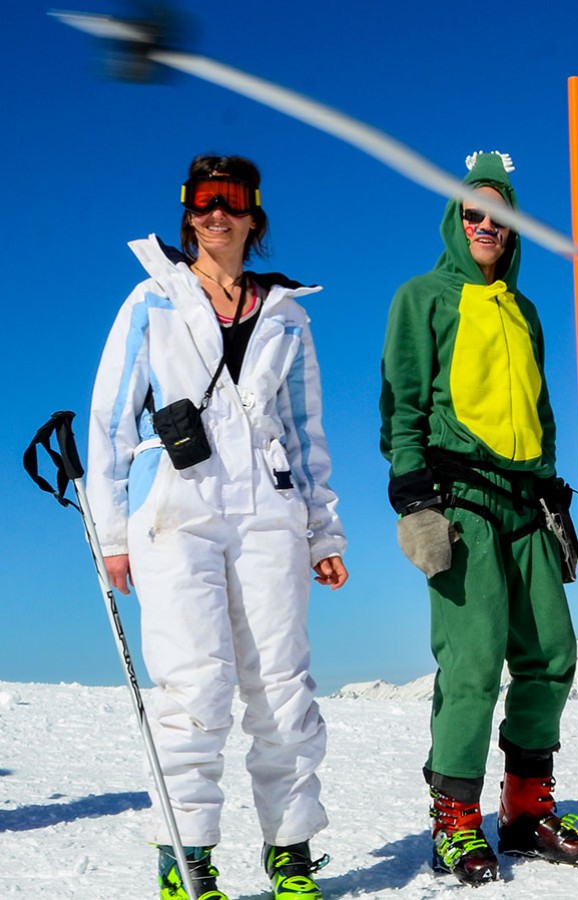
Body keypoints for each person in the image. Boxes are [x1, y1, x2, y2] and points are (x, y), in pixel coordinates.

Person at [89, 155, 346, 900]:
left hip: (269, 511)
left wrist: (322, 532)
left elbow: (305, 432)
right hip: (174, 510)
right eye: (202, 201)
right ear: (187, 213)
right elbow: (109, 421)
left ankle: (291, 853)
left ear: (253, 215)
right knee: (193, 686)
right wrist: (111, 532)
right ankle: (187, 859)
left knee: (282, 684)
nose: (215, 214)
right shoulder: (151, 301)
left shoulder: (288, 315)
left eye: (230, 201)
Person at [379, 152, 578, 884]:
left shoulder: (525, 310)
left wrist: (553, 489)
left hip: (526, 501)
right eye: (472, 212)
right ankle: (455, 821)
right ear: (454, 220)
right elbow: (403, 401)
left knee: (553, 655)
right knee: (472, 663)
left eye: (497, 216)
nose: (484, 226)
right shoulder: (424, 296)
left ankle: (527, 809)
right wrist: (413, 496)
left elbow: (539, 409)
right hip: (460, 494)